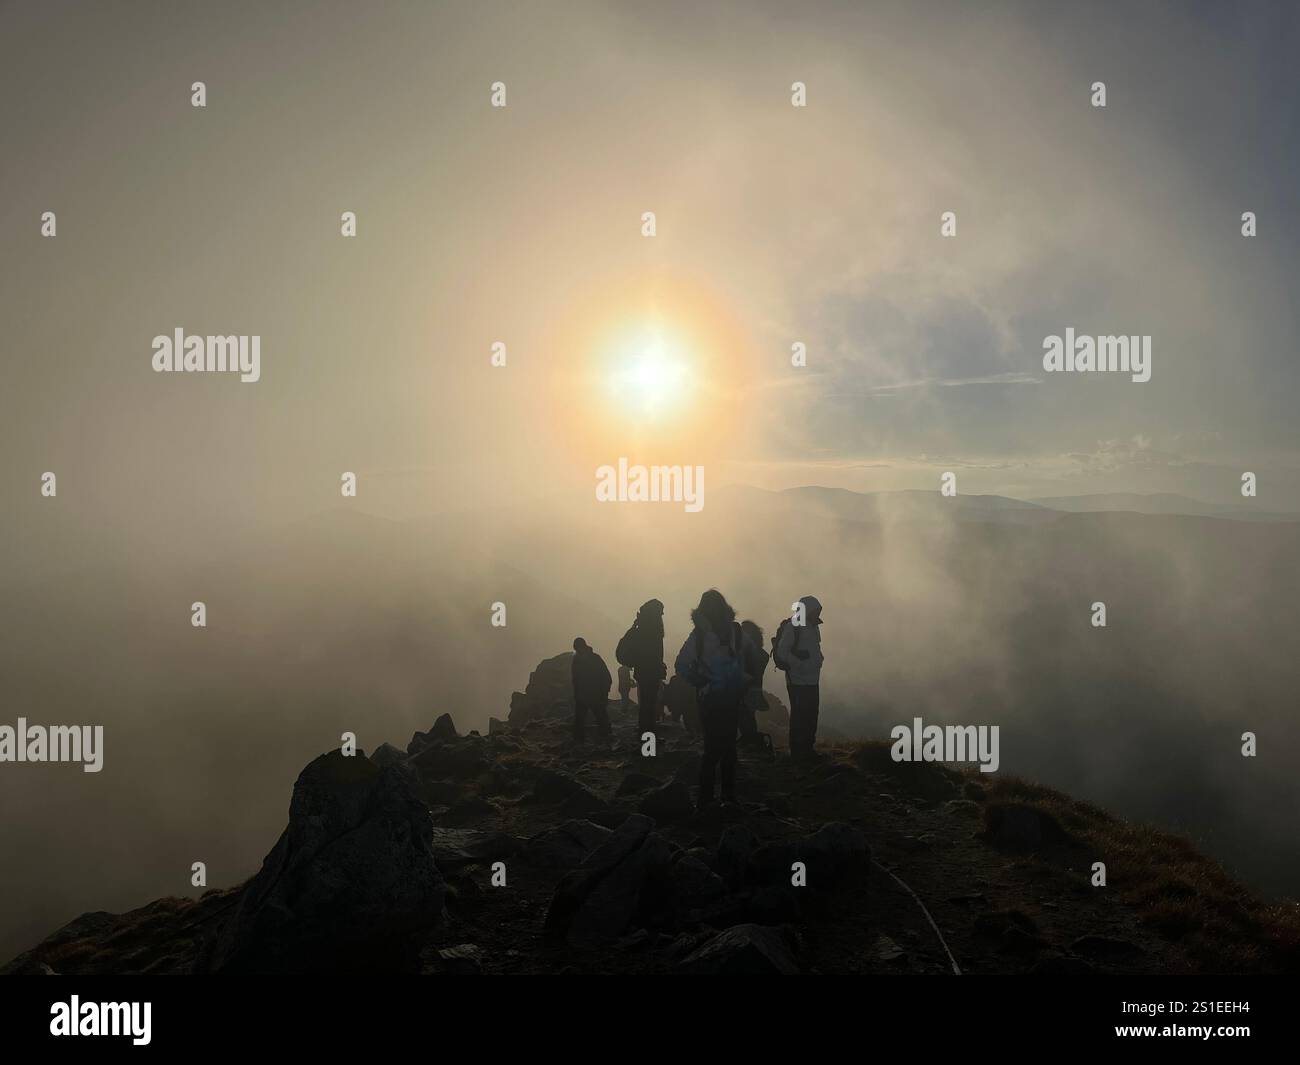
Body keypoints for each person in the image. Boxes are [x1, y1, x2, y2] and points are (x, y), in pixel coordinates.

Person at [674, 589, 753, 810]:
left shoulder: (700, 635)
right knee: (724, 748)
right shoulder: (731, 632)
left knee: (718, 748)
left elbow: (681, 664)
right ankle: (723, 797)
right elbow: (752, 655)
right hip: (724, 697)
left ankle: (709, 798)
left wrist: (697, 680)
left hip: (713, 697)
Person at [773, 596, 824, 758]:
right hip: (797, 680)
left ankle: (807, 748)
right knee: (800, 715)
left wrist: (817, 661)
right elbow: (782, 652)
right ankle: (797, 751)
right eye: (816, 610)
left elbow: (815, 648)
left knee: (811, 713)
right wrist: (799, 665)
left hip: (812, 679)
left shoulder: (813, 627)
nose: (818, 613)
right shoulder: (793, 627)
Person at [615, 599, 667, 735]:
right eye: (660, 613)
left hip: (645, 673)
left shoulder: (643, 629)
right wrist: (657, 665)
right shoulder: (651, 631)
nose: (662, 615)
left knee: (647, 707)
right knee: (648, 708)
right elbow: (651, 655)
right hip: (649, 674)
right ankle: (647, 746)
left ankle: (647, 742)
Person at [570, 637, 613, 743]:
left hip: (594, 695)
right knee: (587, 719)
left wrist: (604, 692)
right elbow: (575, 679)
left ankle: (605, 739)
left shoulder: (590, 659)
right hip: (586, 695)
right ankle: (580, 742)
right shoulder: (580, 661)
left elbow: (606, 677)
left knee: (599, 717)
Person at [737, 619, 770, 751]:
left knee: (746, 715)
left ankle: (751, 740)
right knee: (746, 715)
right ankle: (750, 739)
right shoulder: (758, 653)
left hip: (749, 689)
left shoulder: (754, 653)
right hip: (751, 689)